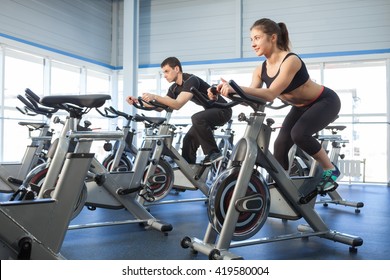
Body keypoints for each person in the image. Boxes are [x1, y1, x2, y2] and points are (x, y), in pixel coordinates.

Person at [212, 18, 341, 194]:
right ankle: (282, 187)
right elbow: (250, 98)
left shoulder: (290, 60)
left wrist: (235, 86)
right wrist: (223, 92)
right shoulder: (260, 69)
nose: (253, 44)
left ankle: (330, 168)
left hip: (324, 101)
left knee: (299, 134)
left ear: (273, 37)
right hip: (299, 107)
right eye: (251, 40)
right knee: (280, 145)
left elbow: (270, 94)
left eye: (257, 38)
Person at [127, 56, 232, 165]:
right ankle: (189, 172)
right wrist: (137, 102)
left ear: (176, 69)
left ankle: (214, 153)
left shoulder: (191, 80)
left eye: (167, 71)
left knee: (197, 118)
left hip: (223, 110)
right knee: (188, 140)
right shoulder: (174, 88)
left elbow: (177, 104)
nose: (165, 76)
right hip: (210, 113)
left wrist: (155, 96)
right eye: (163, 73)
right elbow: (160, 106)